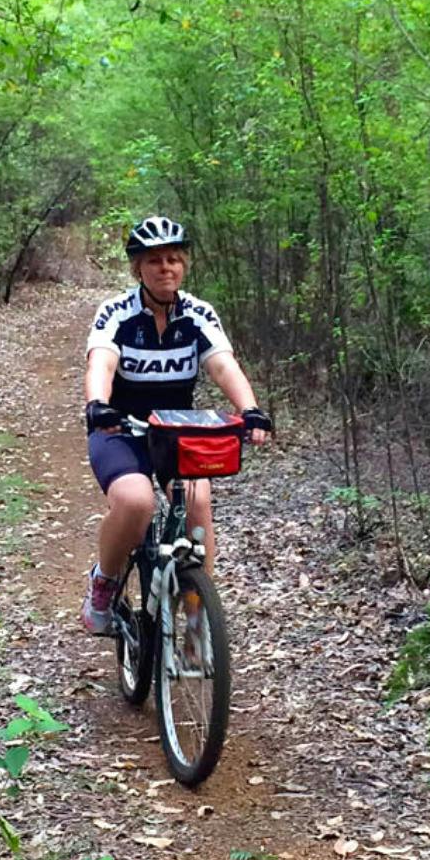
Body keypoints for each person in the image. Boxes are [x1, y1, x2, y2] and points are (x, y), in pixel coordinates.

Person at [81, 215, 273, 634]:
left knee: (198, 504)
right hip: (120, 428)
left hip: (177, 432)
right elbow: (102, 363)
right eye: (154, 261)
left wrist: (250, 409)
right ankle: (104, 583)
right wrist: (98, 404)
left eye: (173, 259)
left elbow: (223, 366)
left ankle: (197, 614)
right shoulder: (116, 312)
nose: (166, 268)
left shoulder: (198, 313)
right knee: (136, 502)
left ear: (184, 265)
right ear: (138, 269)